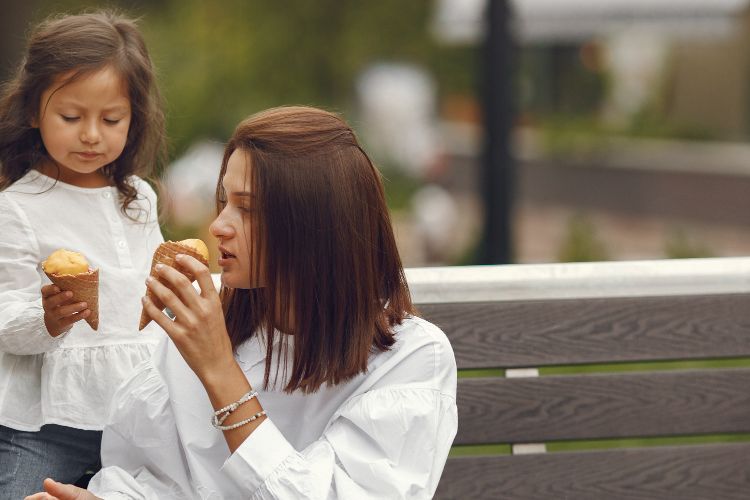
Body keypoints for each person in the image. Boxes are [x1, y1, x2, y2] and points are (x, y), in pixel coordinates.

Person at [27, 106, 458, 499]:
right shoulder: (199, 324)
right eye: (223, 202)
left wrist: (219, 371)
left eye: (247, 209)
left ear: (316, 225)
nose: (218, 226)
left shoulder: (411, 359)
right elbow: (150, 477)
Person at [0, 10, 167, 498]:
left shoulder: (138, 198)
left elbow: (155, 300)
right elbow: (5, 317)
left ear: (134, 117)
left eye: (111, 119)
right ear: (34, 111)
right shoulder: (16, 207)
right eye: (71, 117)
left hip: (136, 417)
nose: (92, 134)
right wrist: (47, 319)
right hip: (45, 424)